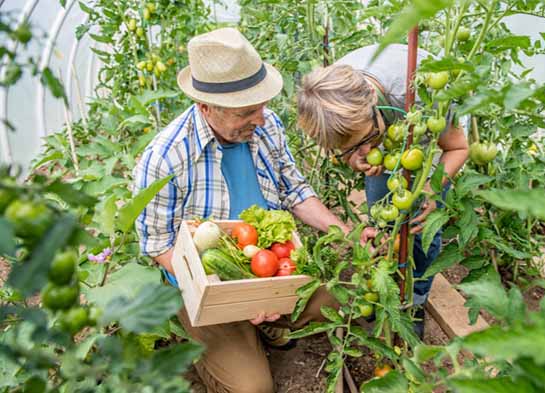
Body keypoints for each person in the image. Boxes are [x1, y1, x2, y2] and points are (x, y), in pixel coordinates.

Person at [133, 28, 373, 393]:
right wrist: (228, 293)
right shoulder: (165, 158)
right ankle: (212, 340)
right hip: (209, 286)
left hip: (272, 265)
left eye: (261, 106)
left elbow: (295, 191)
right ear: (206, 107)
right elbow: (159, 245)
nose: (261, 118)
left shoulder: (267, 126)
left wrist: (345, 232)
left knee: (347, 289)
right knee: (253, 388)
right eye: (247, 111)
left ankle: (267, 323)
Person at [297, 43, 469, 338]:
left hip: (430, 143)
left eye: (368, 139)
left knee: (423, 228)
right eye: (353, 147)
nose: (366, 151)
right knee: (382, 222)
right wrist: (354, 156)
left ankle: (416, 299)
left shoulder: (423, 93)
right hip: (391, 136)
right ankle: (386, 288)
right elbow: (348, 145)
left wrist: (430, 189)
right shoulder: (331, 98)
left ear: (375, 102)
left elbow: (459, 148)